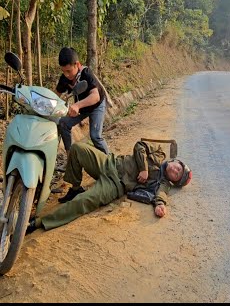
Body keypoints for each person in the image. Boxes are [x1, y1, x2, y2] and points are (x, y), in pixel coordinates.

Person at [26, 140, 192, 233]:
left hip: (115, 184)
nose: (175, 169)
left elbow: (161, 195)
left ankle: (39, 223)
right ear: (175, 161)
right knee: (77, 148)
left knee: (84, 201)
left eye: (177, 174)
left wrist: (161, 205)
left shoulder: (162, 183)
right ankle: (75, 187)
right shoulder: (160, 153)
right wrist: (144, 169)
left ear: (173, 180)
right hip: (109, 162)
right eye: (178, 166)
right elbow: (140, 146)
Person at [55, 47, 109, 156]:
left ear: (77, 64)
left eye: (69, 71)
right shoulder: (64, 78)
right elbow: (55, 95)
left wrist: (77, 105)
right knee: (64, 123)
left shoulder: (86, 73)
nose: (66, 75)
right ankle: (71, 157)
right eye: (63, 71)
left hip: (96, 106)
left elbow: (95, 96)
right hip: (81, 108)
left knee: (95, 136)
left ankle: (108, 162)